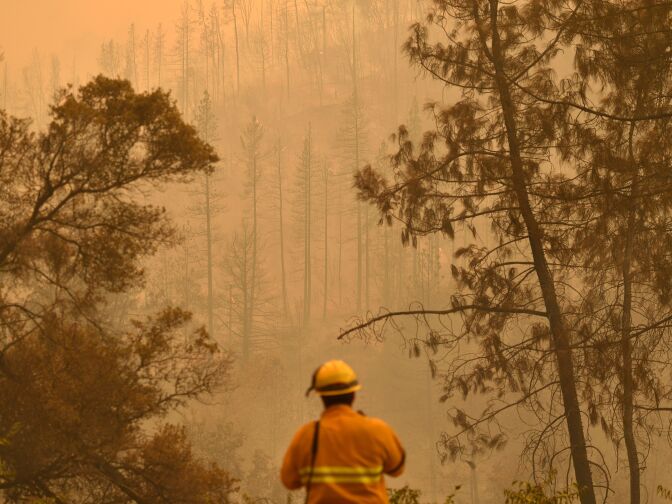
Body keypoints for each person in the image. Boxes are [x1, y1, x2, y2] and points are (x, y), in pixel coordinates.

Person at [281, 359, 405, 503]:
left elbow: (289, 481)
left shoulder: (307, 435)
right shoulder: (377, 430)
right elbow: (397, 469)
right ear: (353, 393)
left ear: (321, 396)